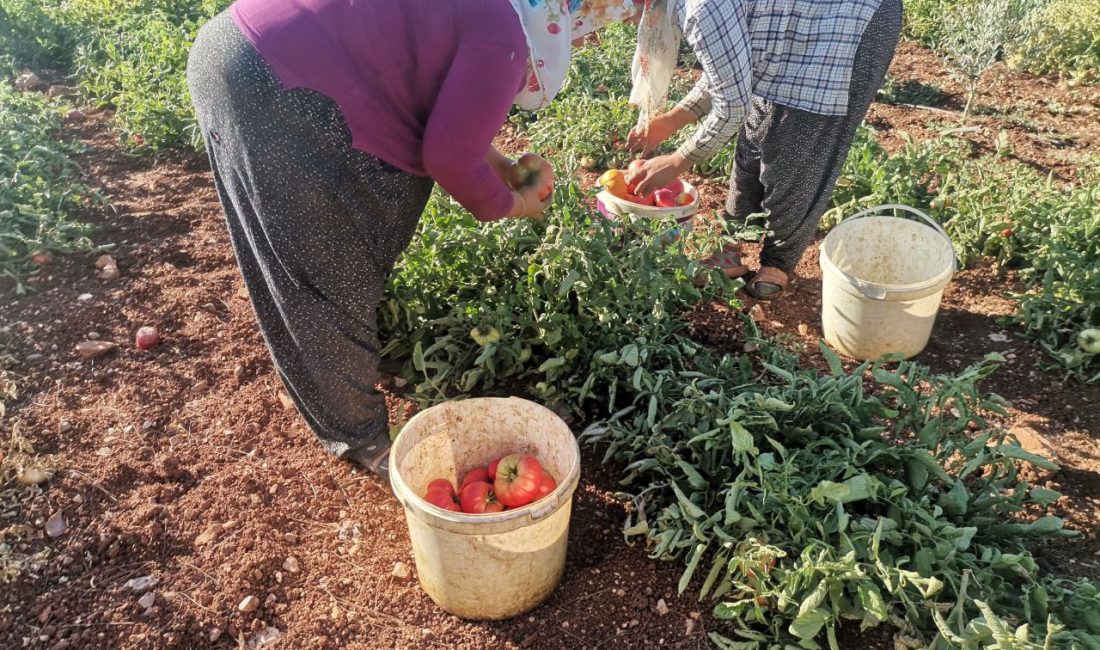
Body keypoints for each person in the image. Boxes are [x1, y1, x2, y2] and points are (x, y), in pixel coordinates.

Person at [186, 0, 635, 476]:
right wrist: (517, 205)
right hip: (280, 87)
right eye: (588, 32)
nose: (586, 43)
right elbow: (449, 157)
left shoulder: (503, 11)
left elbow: (424, 90)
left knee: (328, 254)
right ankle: (360, 437)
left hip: (250, 54)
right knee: (325, 272)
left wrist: (503, 170)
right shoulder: (507, 32)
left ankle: (354, 363)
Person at [623, 0, 903, 300]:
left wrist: (678, 160)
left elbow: (732, 105)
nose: (627, 21)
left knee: (801, 145)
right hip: (792, 21)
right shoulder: (698, 9)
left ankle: (778, 263)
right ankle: (730, 246)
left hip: (853, 19)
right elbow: (734, 68)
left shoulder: (702, 7)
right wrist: (671, 121)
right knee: (758, 125)